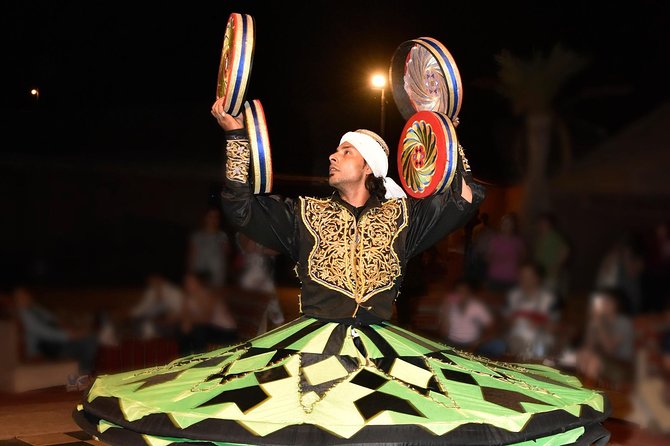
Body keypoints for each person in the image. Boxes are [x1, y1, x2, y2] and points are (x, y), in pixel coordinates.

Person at [74, 99, 610, 446]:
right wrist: (237, 137)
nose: (333, 156)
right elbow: (240, 207)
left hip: (388, 353)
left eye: (344, 150)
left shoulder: (403, 216)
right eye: (335, 150)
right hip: (308, 349)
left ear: (370, 167)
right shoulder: (304, 212)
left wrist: (444, 130)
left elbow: (465, 196)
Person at [13, 287, 98, 379]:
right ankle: (80, 380)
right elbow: (44, 332)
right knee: (87, 342)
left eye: (26, 295)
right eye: (20, 296)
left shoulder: (34, 308)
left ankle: (83, 378)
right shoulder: (23, 313)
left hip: (54, 344)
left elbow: (53, 319)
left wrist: (73, 329)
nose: (25, 298)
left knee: (89, 338)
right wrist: (71, 335)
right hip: (44, 351)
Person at [577, 288, 634, 386]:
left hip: (622, 364)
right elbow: (588, 345)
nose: (603, 304)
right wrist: (593, 323)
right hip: (605, 359)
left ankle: (590, 395)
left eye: (607, 301)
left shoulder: (624, 323)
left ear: (616, 305)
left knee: (594, 362)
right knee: (583, 355)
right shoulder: (603, 321)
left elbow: (610, 349)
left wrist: (599, 323)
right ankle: (580, 391)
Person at [504, 262, 557, 360]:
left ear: (537, 278)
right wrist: (510, 321)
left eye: (529, 276)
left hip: (540, 341)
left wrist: (540, 325)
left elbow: (555, 327)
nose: (524, 279)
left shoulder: (549, 299)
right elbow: (506, 320)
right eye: (522, 276)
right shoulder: (513, 296)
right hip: (516, 340)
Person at [178, 271, 238, 355]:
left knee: (198, 331)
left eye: (191, 282)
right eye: (186, 282)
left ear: (198, 283)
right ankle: (184, 360)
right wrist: (186, 323)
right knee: (184, 331)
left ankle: (201, 360)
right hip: (210, 329)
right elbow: (185, 315)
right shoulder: (188, 297)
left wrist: (190, 322)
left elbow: (206, 318)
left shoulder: (209, 295)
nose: (188, 285)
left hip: (226, 331)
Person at [130, 273, 184, 339]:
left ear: (161, 279)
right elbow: (141, 308)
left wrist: (171, 317)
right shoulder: (150, 292)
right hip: (153, 320)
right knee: (141, 323)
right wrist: (131, 313)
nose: (153, 283)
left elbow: (181, 311)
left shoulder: (173, 292)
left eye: (155, 280)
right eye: (151, 281)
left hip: (171, 321)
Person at [188, 208, 231, 287]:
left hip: (217, 277)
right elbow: (192, 257)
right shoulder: (197, 236)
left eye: (216, 217)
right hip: (200, 275)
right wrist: (191, 274)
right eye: (210, 216)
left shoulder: (223, 236)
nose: (213, 219)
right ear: (205, 218)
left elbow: (226, 256)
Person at [485, 213, 525, 293]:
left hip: (512, 278)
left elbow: (523, 258)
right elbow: (487, 257)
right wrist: (497, 258)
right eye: (504, 223)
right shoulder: (494, 240)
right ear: (501, 225)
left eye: (509, 224)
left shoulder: (517, 241)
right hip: (495, 277)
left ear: (513, 226)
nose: (506, 226)